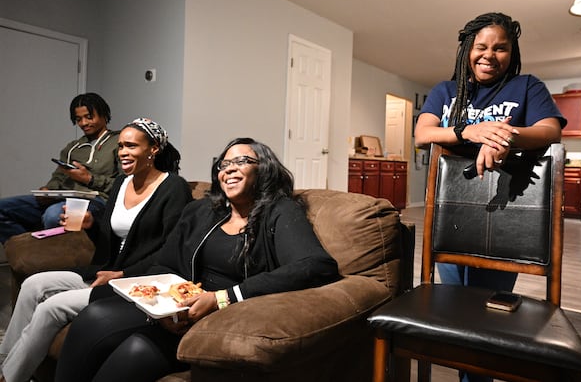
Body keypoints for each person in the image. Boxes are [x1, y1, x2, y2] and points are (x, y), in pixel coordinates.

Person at [54, 137, 340, 382]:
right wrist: (166, 311)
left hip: (228, 313)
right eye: (223, 165)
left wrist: (222, 298)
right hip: (178, 307)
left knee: (136, 350)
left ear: (264, 170)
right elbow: (164, 264)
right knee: (93, 315)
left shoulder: (280, 211)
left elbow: (316, 265)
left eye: (241, 161)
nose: (229, 170)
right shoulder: (203, 211)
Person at [414, 12, 566, 382]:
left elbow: (550, 131)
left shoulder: (527, 86)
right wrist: (473, 131)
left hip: (506, 213)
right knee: (452, 307)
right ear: (467, 49)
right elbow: (423, 132)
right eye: (481, 46)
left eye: (500, 48)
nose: (489, 55)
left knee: (490, 311)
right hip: (449, 213)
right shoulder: (445, 92)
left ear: (512, 53)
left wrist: (505, 137)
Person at [0, 118, 193, 382]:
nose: (123, 152)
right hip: (104, 270)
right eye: (121, 146)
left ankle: (11, 378)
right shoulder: (121, 183)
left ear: (153, 149)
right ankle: (5, 362)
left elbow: (171, 249)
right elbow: (110, 233)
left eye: (131, 146)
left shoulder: (173, 188)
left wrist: (122, 274)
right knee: (33, 284)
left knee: (51, 307)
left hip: (136, 281)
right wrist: (91, 224)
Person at [0, 93, 120, 245]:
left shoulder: (119, 143)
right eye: (78, 119)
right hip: (62, 198)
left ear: (103, 114)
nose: (84, 123)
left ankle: (51, 257)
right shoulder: (72, 148)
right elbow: (58, 178)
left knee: (53, 215)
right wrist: (47, 190)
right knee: (2, 208)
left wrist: (89, 179)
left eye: (89, 117)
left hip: (97, 200)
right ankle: (32, 249)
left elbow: (123, 185)